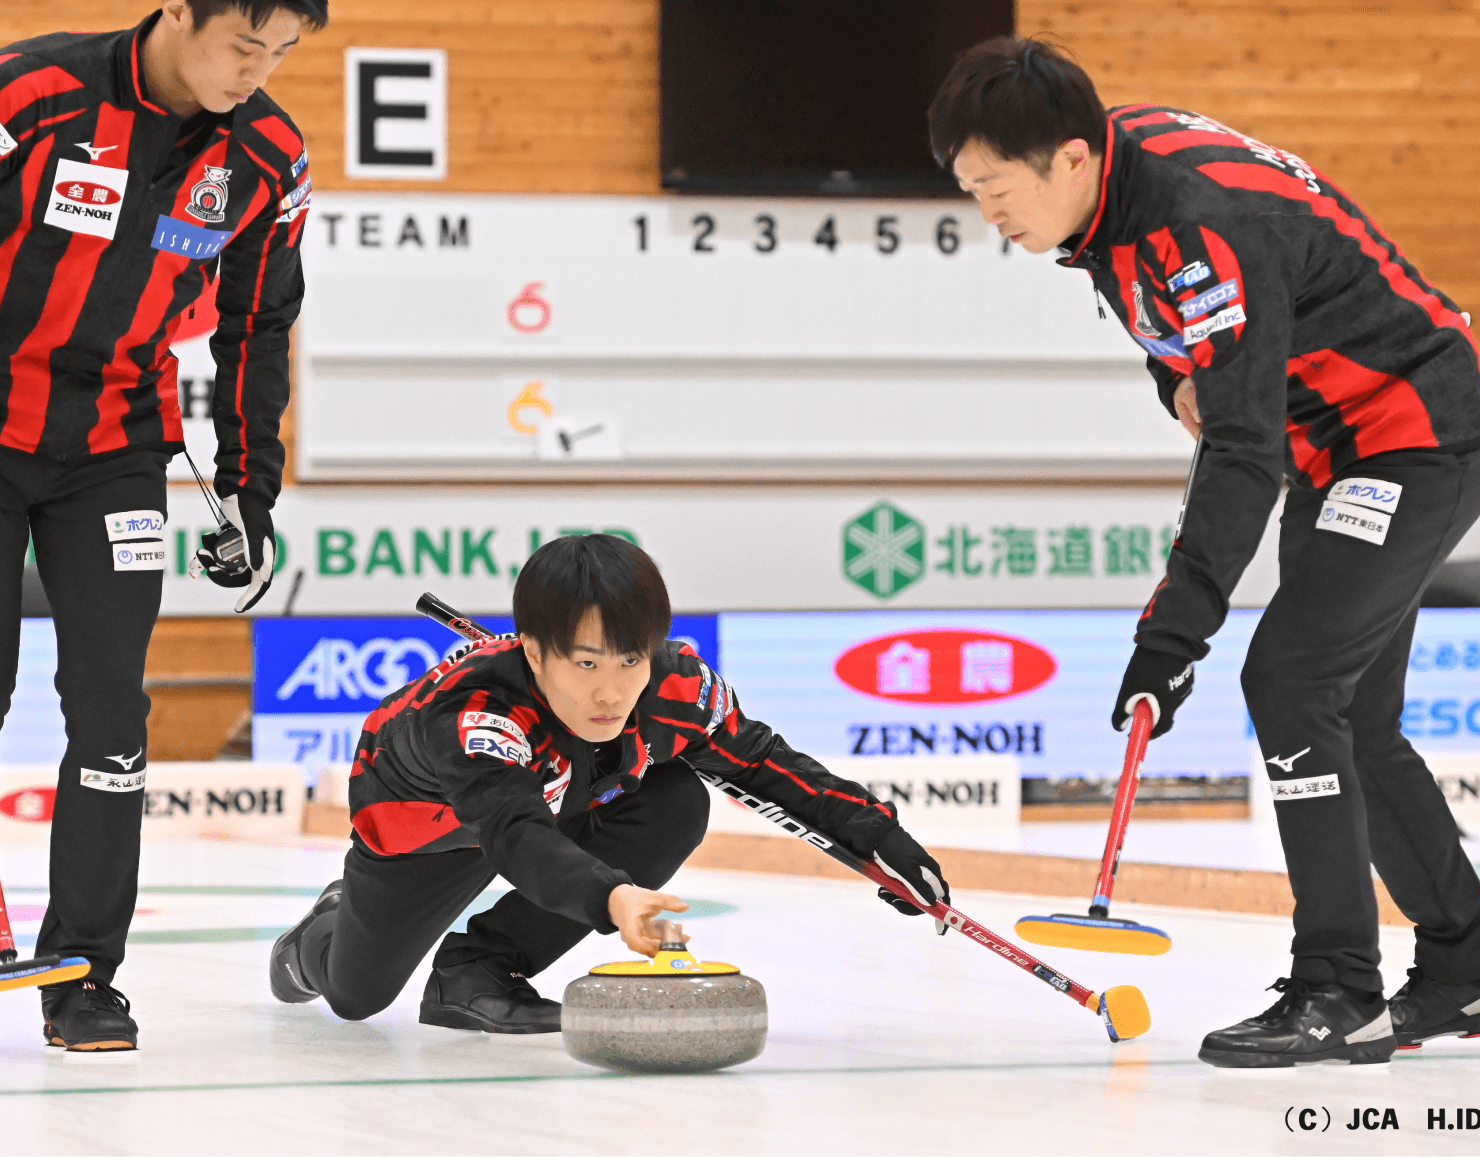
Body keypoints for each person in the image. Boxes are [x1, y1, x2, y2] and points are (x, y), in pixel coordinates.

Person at [927, 36, 1480, 1068]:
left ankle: (1340, 987)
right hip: (1330, 439)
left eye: (994, 187)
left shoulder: (1196, 222)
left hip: (1414, 431)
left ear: (1070, 157)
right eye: (970, 190)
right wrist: (1178, 387)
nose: (989, 213)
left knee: (1291, 679)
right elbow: (1197, 366)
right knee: (1351, 716)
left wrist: (1175, 630)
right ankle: (1473, 963)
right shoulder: (1116, 189)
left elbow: (1239, 449)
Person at [0, 0, 323, 1050]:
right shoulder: (33, 93)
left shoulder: (270, 157)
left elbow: (255, 325)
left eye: (280, 53)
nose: (257, 72)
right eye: (244, 43)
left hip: (116, 453)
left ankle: (85, 973)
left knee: (112, 716)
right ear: (178, 13)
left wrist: (248, 489)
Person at [270, 534, 950, 1030]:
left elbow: (764, 761)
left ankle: (476, 969)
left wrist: (880, 838)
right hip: (432, 834)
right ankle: (319, 933)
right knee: (356, 998)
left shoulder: (673, 683)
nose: (613, 690)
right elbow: (513, 830)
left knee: (677, 798)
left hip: (554, 797)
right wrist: (613, 895)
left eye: (630, 658)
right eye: (586, 662)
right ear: (533, 651)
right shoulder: (475, 718)